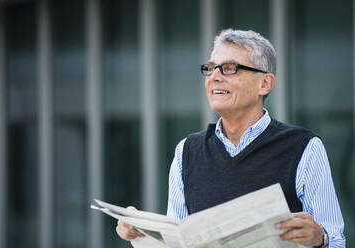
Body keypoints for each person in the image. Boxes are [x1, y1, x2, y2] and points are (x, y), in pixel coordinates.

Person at [116, 28, 345, 247]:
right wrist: (142, 232)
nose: (214, 77)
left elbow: (336, 241)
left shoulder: (304, 147)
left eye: (229, 68)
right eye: (211, 68)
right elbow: (178, 239)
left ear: (264, 83)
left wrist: (320, 238)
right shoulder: (186, 151)